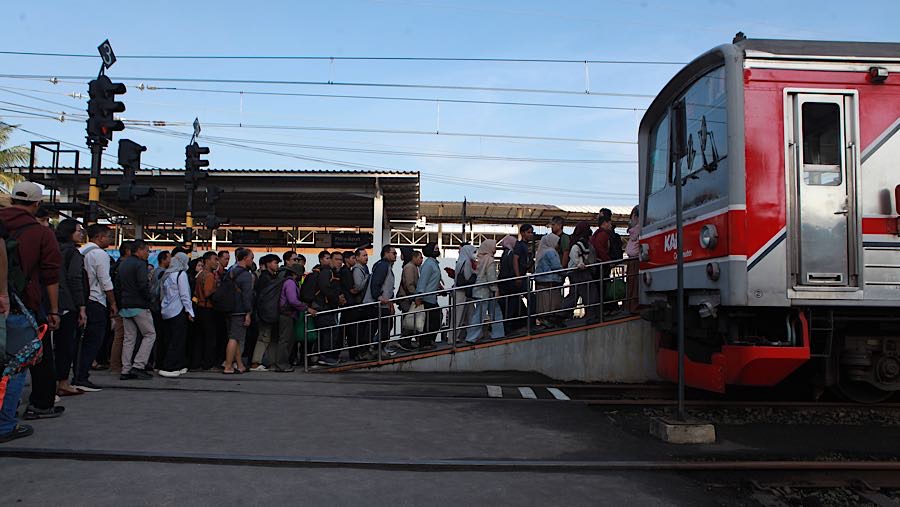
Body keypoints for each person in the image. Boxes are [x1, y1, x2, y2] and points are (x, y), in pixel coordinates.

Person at [0, 182, 62, 422]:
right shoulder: (41, 233)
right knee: (22, 362)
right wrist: (54, 310)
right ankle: (30, 410)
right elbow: (51, 275)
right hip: (22, 305)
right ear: (37, 204)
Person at [73, 224, 116, 392]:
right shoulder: (100, 254)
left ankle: (77, 374)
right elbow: (105, 281)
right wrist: (113, 302)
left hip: (81, 301)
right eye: (108, 236)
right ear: (99, 237)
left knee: (80, 341)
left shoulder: (81, 252)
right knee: (94, 340)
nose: (110, 240)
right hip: (95, 300)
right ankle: (82, 377)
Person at [114, 240, 157, 381]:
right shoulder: (140, 264)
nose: (148, 254)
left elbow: (117, 286)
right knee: (150, 334)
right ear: (139, 250)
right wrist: (149, 299)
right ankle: (138, 365)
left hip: (125, 305)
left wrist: (120, 303)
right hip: (139, 305)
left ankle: (125, 369)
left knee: (129, 338)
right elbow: (142, 285)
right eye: (147, 251)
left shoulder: (123, 264)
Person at [53, 219, 87, 397]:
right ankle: (63, 383)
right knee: (66, 345)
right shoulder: (72, 253)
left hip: (48, 302)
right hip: (66, 303)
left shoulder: (52, 247)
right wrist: (81, 306)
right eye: (78, 231)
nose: (81, 233)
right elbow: (75, 280)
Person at [157, 252, 194, 377]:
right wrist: (190, 311)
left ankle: (172, 364)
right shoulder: (181, 274)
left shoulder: (167, 274)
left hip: (166, 311)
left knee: (168, 338)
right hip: (178, 310)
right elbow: (184, 295)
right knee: (178, 340)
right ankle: (171, 366)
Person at [275, 263, 311, 372]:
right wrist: (306, 308)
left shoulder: (288, 281)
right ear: (296, 274)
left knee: (286, 340)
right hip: (287, 315)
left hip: (286, 314)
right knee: (285, 341)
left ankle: (283, 363)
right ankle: (282, 364)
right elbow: (292, 300)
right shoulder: (290, 283)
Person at [562, 222, 600, 323]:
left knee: (574, 294)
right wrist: (580, 263)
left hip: (574, 272)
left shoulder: (574, 241)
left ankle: (562, 314)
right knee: (590, 292)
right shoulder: (582, 243)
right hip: (580, 271)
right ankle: (592, 315)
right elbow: (575, 254)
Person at [223, 248, 254, 374]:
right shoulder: (246, 275)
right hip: (239, 310)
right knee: (234, 338)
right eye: (251, 258)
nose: (252, 260)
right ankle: (228, 366)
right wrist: (248, 313)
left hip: (228, 308)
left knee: (233, 336)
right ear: (245, 258)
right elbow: (247, 296)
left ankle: (240, 365)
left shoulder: (230, 272)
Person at [467, 240, 504, 343]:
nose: (495, 249)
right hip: (487, 291)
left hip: (478, 290)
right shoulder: (490, 260)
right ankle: (498, 334)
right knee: (494, 312)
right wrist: (495, 289)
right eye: (494, 246)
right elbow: (491, 277)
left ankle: (472, 336)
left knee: (479, 314)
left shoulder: (480, 258)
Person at [313, 251, 346, 366]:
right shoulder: (326, 272)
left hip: (327, 306)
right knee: (328, 331)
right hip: (323, 306)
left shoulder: (332, 273)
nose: (340, 262)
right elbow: (325, 288)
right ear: (330, 260)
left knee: (329, 331)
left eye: (341, 260)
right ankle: (324, 356)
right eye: (337, 259)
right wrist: (337, 298)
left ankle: (323, 355)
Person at [106, 240, 134, 373]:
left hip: (117, 304)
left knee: (121, 335)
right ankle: (116, 364)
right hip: (121, 305)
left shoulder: (116, 266)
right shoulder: (123, 267)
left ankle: (116, 363)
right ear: (128, 252)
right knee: (121, 335)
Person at [250, 254, 281, 371]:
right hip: (265, 313)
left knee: (270, 337)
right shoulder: (265, 278)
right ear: (268, 264)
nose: (276, 265)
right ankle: (256, 362)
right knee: (264, 337)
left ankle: (270, 361)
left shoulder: (269, 277)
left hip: (267, 312)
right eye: (274, 263)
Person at [192, 252, 219, 371]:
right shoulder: (209, 276)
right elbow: (208, 293)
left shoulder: (200, 274)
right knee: (209, 338)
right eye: (215, 259)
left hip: (199, 308)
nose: (216, 262)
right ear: (207, 261)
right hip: (207, 308)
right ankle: (208, 363)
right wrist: (216, 289)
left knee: (198, 338)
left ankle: (196, 362)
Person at [368, 246, 397, 355]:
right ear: (386, 253)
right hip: (381, 303)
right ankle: (378, 348)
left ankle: (378, 347)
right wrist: (380, 297)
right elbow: (376, 284)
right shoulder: (383, 266)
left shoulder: (384, 265)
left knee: (383, 325)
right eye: (393, 253)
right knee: (385, 325)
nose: (396, 256)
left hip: (383, 302)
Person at [414, 242, 442, 350]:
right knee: (431, 320)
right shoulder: (429, 264)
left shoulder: (433, 263)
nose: (438, 250)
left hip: (431, 297)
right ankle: (425, 342)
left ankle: (428, 340)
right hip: (427, 298)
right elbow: (423, 281)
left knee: (434, 319)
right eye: (435, 248)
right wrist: (419, 296)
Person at [534, 233, 564, 329]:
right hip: (551, 281)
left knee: (544, 304)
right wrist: (566, 272)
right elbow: (556, 266)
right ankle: (551, 321)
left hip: (541, 282)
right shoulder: (551, 251)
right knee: (552, 303)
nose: (558, 245)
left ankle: (544, 320)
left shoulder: (541, 251)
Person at [347, 247, 371, 361]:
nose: (366, 257)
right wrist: (367, 278)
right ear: (357, 258)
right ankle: (356, 353)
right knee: (358, 331)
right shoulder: (358, 269)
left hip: (361, 304)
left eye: (366, 255)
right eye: (363, 255)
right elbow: (358, 286)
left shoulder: (363, 268)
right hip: (359, 305)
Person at [395, 249, 421, 350]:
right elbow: (409, 284)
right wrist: (415, 296)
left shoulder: (412, 267)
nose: (421, 260)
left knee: (409, 319)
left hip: (407, 298)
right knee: (409, 320)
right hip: (406, 298)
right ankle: (404, 341)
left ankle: (406, 341)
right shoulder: (410, 267)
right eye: (420, 257)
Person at [452, 244, 477, 343]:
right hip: (463, 292)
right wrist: (475, 273)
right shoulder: (467, 262)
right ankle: (454, 337)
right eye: (473, 252)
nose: (474, 254)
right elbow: (467, 277)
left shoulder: (460, 261)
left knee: (464, 314)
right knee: (459, 315)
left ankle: (455, 336)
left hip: (460, 291)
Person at [625, 206, 641, 313]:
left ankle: (630, 306)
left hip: (633, 261)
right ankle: (633, 306)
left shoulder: (634, 231)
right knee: (634, 286)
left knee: (632, 285)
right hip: (635, 261)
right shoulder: (639, 230)